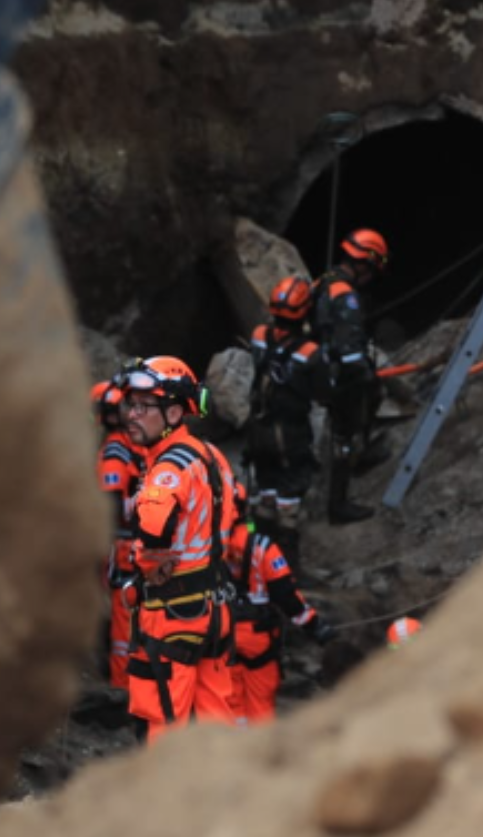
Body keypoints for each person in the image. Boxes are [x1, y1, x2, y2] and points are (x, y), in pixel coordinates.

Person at [117, 356, 240, 743]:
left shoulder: (167, 470)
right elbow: (234, 517)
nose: (132, 414)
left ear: (173, 412)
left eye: (144, 406)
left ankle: (167, 785)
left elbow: (153, 530)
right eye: (131, 405)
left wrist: (147, 561)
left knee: (165, 730)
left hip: (172, 617)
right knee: (216, 724)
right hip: (214, 608)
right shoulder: (211, 455)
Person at [225, 489, 335, 724]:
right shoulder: (262, 547)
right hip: (257, 636)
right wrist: (315, 625)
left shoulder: (203, 545)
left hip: (219, 633)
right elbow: (286, 595)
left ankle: (232, 742)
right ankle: (261, 744)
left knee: (227, 701)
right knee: (260, 703)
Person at [310, 228, 392, 524]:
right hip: (337, 373)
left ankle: (363, 450)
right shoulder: (345, 296)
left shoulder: (324, 281)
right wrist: (362, 371)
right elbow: (348, 350)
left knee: (374, 393)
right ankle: (338, 504)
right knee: (343, 433)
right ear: (364, 264)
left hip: (322, 364)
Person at [245, 274, 325, 562]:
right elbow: (322, 393)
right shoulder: (310, 353)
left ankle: (258, 562)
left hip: (257, 429)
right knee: (289, 497)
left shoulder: (258, 336)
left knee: (265, 493)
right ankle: (287, 568)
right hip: (289, 434)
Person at [92, 379, 145, 690]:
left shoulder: (128, 445)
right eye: (127, 405)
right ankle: (121, 685)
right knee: (123, 618)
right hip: (122, 544)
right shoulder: (116, 451)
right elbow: (111, 502)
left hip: (130, 540)